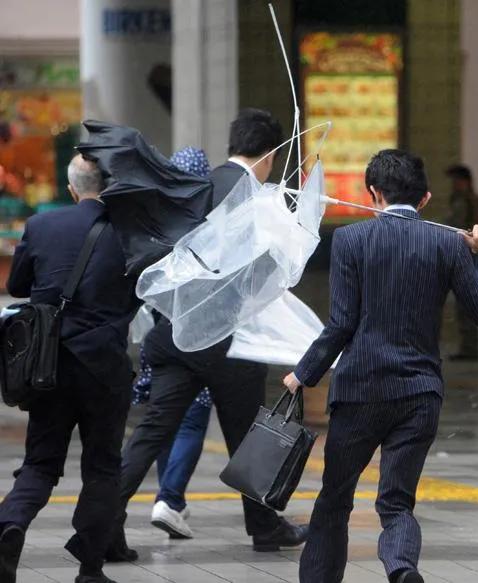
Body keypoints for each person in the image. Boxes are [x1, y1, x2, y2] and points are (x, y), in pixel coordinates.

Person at [283, 149, 478, 583]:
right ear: (425, 200)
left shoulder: (350, 241)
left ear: (373, 193)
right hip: (419, 393)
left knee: (335, 499)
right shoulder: (448, 244)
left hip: (359, 391)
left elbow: (342, 324)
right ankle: (402, 570)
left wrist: (303, 373)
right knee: (397, 502)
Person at [108, 109, 308, 562]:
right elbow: (268, 271)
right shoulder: (259, 200)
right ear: (271, 154)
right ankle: (263, 526)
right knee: (248, 435)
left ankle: (103, 515)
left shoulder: (196, 186)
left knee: (153, 431)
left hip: (181, 334)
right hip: (231, 342)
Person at [0, 154, 140, 583]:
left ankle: (10, 524)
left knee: (41, 462)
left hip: (49, 366)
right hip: (105, 368)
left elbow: (16, 287)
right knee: (102, 466)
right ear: (110, 184)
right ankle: (90, 568)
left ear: (72, 186)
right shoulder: (131, 234)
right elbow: (139, 295)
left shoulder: (42, 226)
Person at [131, 147, 214, 539]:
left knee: (164, 417)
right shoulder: (208, 223)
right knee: (192, 418)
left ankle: (170, 501)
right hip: (194, 338)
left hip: (159, 337)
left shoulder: (156, 220)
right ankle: (169, 497)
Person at [445, 164, 478, 360]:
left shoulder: (465, 202)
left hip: (467, 257)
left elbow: (457, 228)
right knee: (467, 304)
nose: (453, 185)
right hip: (473, 257)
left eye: (456, 181)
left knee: (466, 305)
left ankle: (470, 349)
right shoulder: (474, 200)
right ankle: (469, 348)